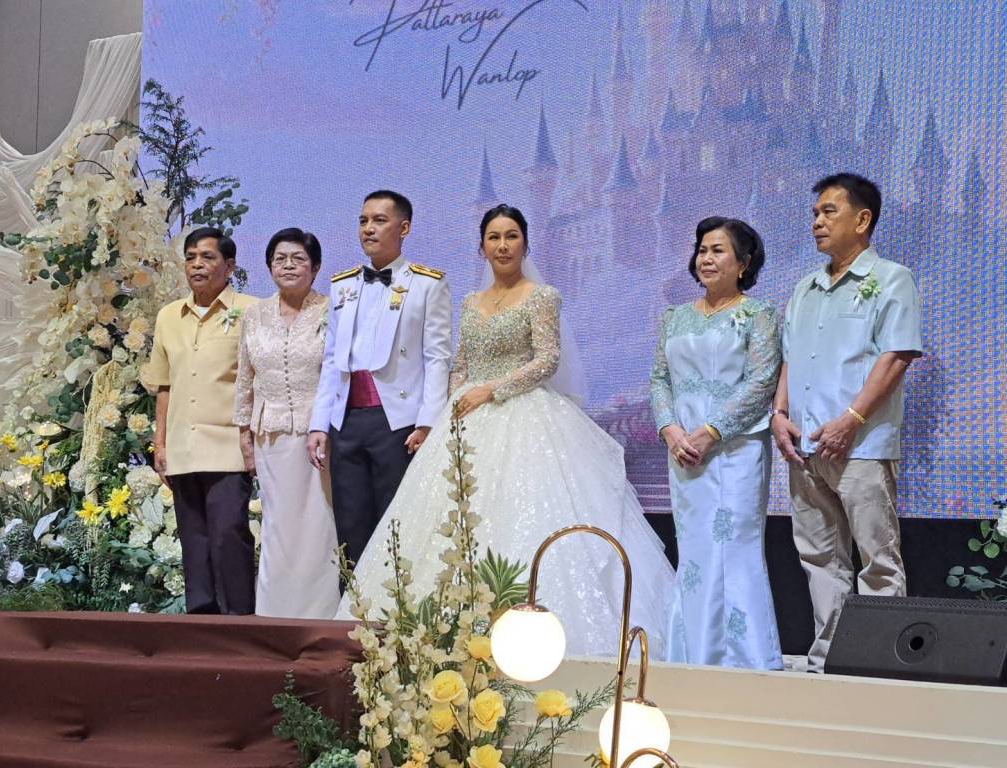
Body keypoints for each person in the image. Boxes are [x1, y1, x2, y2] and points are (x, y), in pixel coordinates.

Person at [341, 204, 675, 658]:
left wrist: (492, 390)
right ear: (481, 246)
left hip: (526, 415)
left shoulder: (542, 296)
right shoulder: (469, 302)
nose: (503, 245)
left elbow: (547, 359)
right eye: (494, 237)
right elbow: (460, 362)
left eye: (512, 236)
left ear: (525, 243)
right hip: (467, 416)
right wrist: (454, 402)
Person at [771, 173, 922, 671]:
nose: (817, 221)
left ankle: (881, 667)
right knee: (820, 559)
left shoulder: (892, 278)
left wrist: (851, 420)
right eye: (815, 213)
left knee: (877, 558)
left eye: (828, 211)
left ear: (862, 220)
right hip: (806, 447)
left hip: (862, 446)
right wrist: (779, 415)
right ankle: (828, 662)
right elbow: (790, 358)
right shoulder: (805, 288)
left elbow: (896, 357)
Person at [650, 217, 783, 670]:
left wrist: (711, 432)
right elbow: (659, 379)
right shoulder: (674, 318)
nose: (706, 258)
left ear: (743, 263)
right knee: (696, 553)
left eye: (718, 250)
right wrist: (670, 429)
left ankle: (745, 662)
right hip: (684, 454)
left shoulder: (760, 315)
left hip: (736, 452)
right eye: (702, 250)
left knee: (735, 550)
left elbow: (762, 380)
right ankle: (693, 656)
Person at [307, 190, 452, 567]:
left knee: (397, 524)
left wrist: (428, 422)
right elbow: (331, 360)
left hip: (397, 421)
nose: (368, 229)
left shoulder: (427, 284)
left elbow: (438, 358)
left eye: (379, 220)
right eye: (363, 221)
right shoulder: (342, 285)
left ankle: (399, 603)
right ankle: (353, 603)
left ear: (404, 228)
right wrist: (319, 423)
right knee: (350, 526)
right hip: (346, 420)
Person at [146, 227, 258, 614]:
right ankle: (200, 623)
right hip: (182, 446)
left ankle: (239, 620)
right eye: (191, 257)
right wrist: (160, 444)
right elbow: (164, 385)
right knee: (193, 540)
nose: (197, 264)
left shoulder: (252, 311)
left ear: (229, 266)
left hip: (229, 446)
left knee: (228, 534)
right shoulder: (168, 316)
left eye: (207, 257)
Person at [233, 228, 340, 619]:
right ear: (269, 267)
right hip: (270, 437)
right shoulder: (254, 314)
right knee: (278, 527)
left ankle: (319, 614)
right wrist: (244, 434)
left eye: (298, 259)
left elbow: (340, 374)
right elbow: (245, 376)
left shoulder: (332, 311)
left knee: (317, 525)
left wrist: (327, 426)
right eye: (280, 259)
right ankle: (274, 615)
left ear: (316, 267)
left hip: (319, 438)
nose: (289, 266)